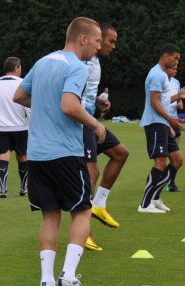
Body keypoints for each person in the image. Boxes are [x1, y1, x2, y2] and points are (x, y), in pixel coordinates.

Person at [13, 17, 106, 286]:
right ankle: (68, 274)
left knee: (50, 216)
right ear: (82, 39)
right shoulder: (78, 67)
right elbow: (69, 105)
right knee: (82, 211)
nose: (99, 47)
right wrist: (96, 124)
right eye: (98, 40)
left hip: (38, 155)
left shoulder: (42, 62)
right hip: (66, 152)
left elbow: (20, 95)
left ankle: (47, 283)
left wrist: (46, 102)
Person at [81, 23, 129, 251]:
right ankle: (84, 233)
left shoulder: (95, 62)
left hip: (91, 120)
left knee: (121, 153)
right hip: (80, 123)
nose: (112, 46)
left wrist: (97, 101)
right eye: (109, 41)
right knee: (92, 172)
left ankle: (99, 204)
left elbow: (84, 92)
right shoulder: (82, 61)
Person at [138, 43, 185, 213]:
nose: (177, 62)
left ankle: (155, 197)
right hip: (155, 123)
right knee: (161, 162)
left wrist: (178, 96)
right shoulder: (157, 75)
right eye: (175, 58)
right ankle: (145, 204)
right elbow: (154, 102)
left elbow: (162, 101)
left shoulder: (162, 75)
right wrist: (170, 120)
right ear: (166, 56)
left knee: (177, 160)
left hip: (162, 123)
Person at [0, 57, 30, 198]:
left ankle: (3, 189)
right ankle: (23, 188)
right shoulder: (23, 82)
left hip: (1, 127)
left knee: (4, 156)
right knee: (23, 156)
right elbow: (29, 105)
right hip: (20, 127)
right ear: (17, 68)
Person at [165, 64, 184, 192]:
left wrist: (180, 103)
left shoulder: (176, 82)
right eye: (173, 68)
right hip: (164, 120)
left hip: (174, 120)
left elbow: (179, 99)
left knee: (176, 156)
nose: (175, 70)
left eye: (176, 69)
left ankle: (171, 183)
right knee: (164, 156)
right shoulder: (162, 81)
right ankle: (157, 180)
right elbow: (159, 101)